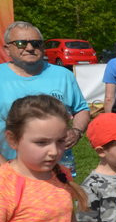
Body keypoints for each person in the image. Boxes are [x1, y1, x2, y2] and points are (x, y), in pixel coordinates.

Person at [0, 21, 90, 172]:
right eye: (21, 43)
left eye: (36, 43)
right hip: (8, 166)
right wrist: (4, 170)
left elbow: (81, 109)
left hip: (58, 169)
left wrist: (76, 131)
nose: (30, 48)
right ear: (7, 49)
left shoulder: (64, 75)